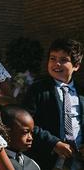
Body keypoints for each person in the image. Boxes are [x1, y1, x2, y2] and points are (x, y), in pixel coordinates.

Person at [23, 38, 84, 170]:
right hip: (48, 157)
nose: (57, 64)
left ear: (76, 66)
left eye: (63, 60)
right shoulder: (38, 90)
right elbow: (27, 123)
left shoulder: (82, 93)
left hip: (78, 159)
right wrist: (54, 143)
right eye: (53, 58)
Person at [0, 105, 40, 170]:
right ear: (6, 131)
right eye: (25, 132)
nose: (30, 138)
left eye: (31, 133)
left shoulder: (33, 164)